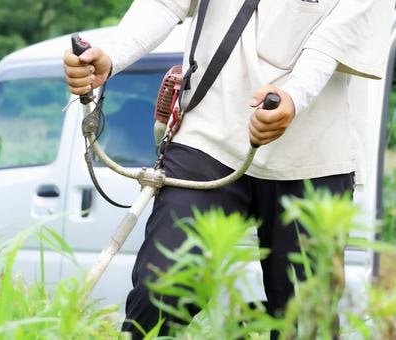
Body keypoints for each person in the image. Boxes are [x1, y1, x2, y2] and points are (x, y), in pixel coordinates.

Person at [64, 0, 393, 338]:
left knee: (306, 323)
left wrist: (293, 98)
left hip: (313, 153)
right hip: (207, 136)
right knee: (160, 290)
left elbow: (333, 43)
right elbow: (164, 4)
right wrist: (111, 57)